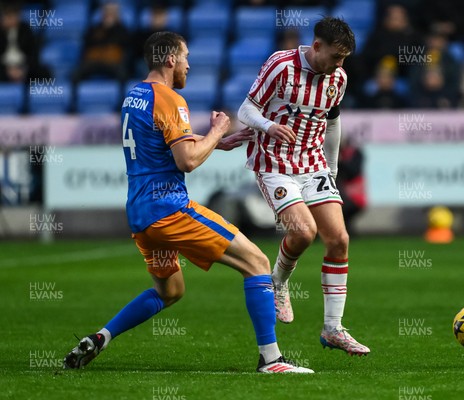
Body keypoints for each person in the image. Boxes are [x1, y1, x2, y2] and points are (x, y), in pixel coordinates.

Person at [63, 31, 313, 374]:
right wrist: (217, 131)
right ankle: (271, 361)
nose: (188, 64)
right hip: (169, 208)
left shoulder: (134, 95)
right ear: (170, 60)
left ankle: (101, 336)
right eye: (185, 57)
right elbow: (187, 162)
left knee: (171, 290)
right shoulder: (170, 99)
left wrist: (215, 142)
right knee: (256, 261)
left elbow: (160, 140)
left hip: (140, 215)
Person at [237, 17, 370, 356]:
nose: (340, 65)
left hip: (313, 164)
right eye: (336, 57)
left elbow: (333, 122)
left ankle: (333, 328)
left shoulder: (337, 78)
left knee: (339, 239)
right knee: (303, 233)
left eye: (345, 59)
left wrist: (333, 167)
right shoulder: (281, 65)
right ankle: (278, 282)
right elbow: (246, 110)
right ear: (317, 46)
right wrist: (268, 126)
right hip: (275, 164)